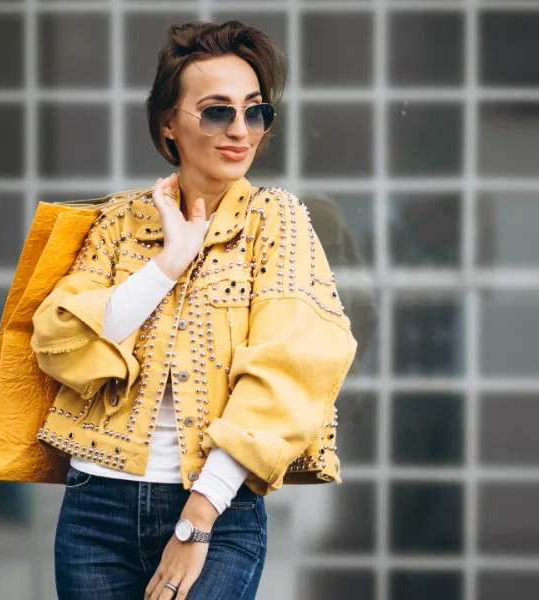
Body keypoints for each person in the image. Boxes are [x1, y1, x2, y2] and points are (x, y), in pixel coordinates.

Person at [28, 20, 357, 600]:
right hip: (94, 510)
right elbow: (62, 343)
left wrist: (198, 516)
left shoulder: (276, 221)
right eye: (215, 111)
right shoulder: (121, 220)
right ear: (167, 124)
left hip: (216, 510)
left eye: (255, 112)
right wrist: (168, 264)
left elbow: (291, 373)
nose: (240, 130)